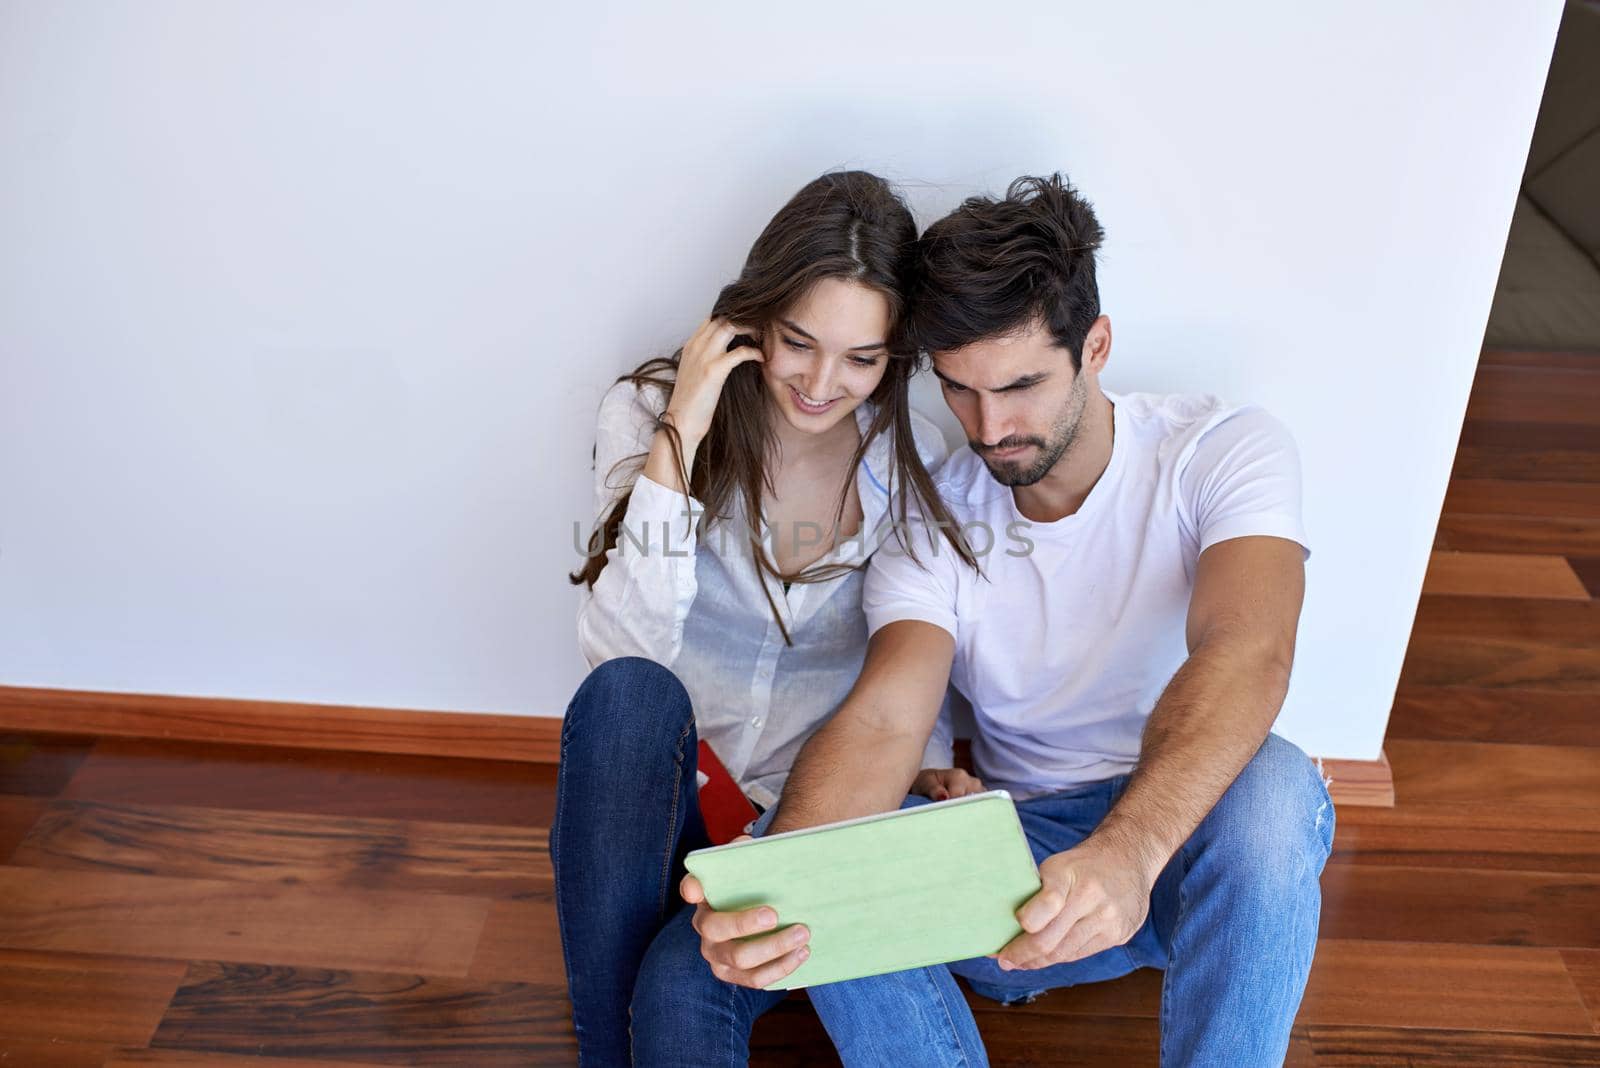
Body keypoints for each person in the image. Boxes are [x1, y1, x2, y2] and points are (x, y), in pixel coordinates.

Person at [683, 174, 1335, 1067]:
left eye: (1022, 385)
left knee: (1278, 788)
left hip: (1177, 844)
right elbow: (884, 715)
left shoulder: (1220, 450)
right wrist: (793, 882)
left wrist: (1127, 853)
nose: (991, 428)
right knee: (800, 856)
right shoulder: (935, 511)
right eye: (960, 391)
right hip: (1011, 866)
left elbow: (1249, 651)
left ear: (1095, 345)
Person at [553, 170, 982, 1066]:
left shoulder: (914, 469)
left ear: (894, 358)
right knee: (628, 696)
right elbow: (620, 660)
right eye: (799, 342)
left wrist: (935, 760)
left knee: (679, 993)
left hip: (804, 813)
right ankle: (602, 1052)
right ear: (754, 319)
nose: (823, 383)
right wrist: (683, 430)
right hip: (661, 803)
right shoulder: (651, 411)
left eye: (862, 359)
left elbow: (912, 645)